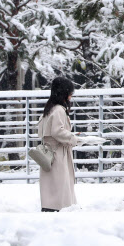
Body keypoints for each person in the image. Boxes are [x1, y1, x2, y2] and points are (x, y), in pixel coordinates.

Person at [37, 76, 84, 212]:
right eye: (70, 93)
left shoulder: (49, 108)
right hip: (58, 152)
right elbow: (57, 131)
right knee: (61, 183)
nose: (71, 96)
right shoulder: (59, 110)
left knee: (52, 184)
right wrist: (73, 138)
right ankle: (61, 208)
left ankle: (50, 206)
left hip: (49, 151)